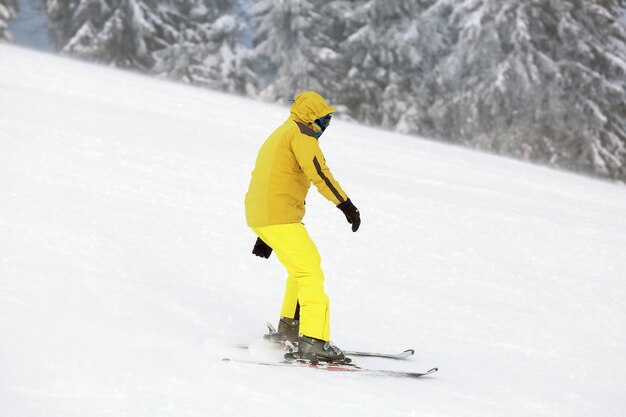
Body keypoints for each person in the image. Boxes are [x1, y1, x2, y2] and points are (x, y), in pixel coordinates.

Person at [244, 91, 360, 363]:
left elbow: (270, 176)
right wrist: (345, 205)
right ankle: (314, 340)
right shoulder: (302, 135)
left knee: (300, 269)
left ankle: (291, 330)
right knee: (310, 272)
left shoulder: (282, 132)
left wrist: (265, 231)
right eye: (325, 120)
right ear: (312, 118)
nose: (327, 126)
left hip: (265, 214)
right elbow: (319, 173)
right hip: (278, 217)